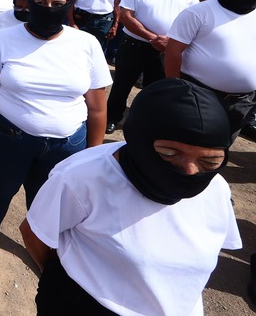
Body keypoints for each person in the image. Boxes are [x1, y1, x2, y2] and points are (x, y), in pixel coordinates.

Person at [20, 79, 241, 315]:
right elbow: (36, 234)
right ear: (139, 139)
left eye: (210, 161)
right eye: (168, 153)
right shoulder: (83, 177)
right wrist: (62, 283)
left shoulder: (216, 188)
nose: (190, 171)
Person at [0, 0, 112, 287]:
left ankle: (44, 246)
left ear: (69, 6)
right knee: (0, 191)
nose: (49, 8)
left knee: (48, 200)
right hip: (10, 139)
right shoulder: (3, 39)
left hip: (66, 144)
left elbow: (98, 107)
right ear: (30, 4)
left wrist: (92, 157)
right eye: (41, 3)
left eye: (57, 4)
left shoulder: (86, 44)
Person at [104, 0, 196, 133]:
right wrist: (153, 37)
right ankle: (112, 117)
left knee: (156, 88)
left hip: (168, 48)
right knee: (122, 84)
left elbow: (191, 17)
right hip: (134, 45)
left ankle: (145, 120)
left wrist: (169, 40)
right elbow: (126, 16)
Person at [165, 0, 256, 137]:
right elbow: (173, 51)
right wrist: (175, 89)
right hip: (200, 96)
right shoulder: (199, 12)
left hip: (243, 102)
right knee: (187, 141)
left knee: (220, 147)